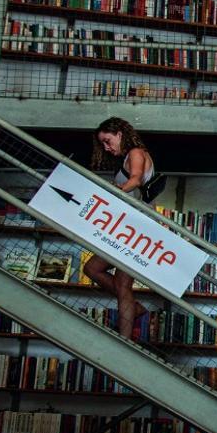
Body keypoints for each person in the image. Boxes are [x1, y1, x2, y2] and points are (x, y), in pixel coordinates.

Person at [85, 117, 155, 337]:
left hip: (137, 227)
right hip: (128, 226)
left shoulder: (135, 153)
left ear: (119, 134)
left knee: (123, 285)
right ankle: (133, 308)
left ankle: (124, 340)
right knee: (92, 269)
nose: (106, 147)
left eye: (108, 140)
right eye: (103, 143)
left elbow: (135, 180)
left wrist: (115, 191)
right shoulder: (130, 155)